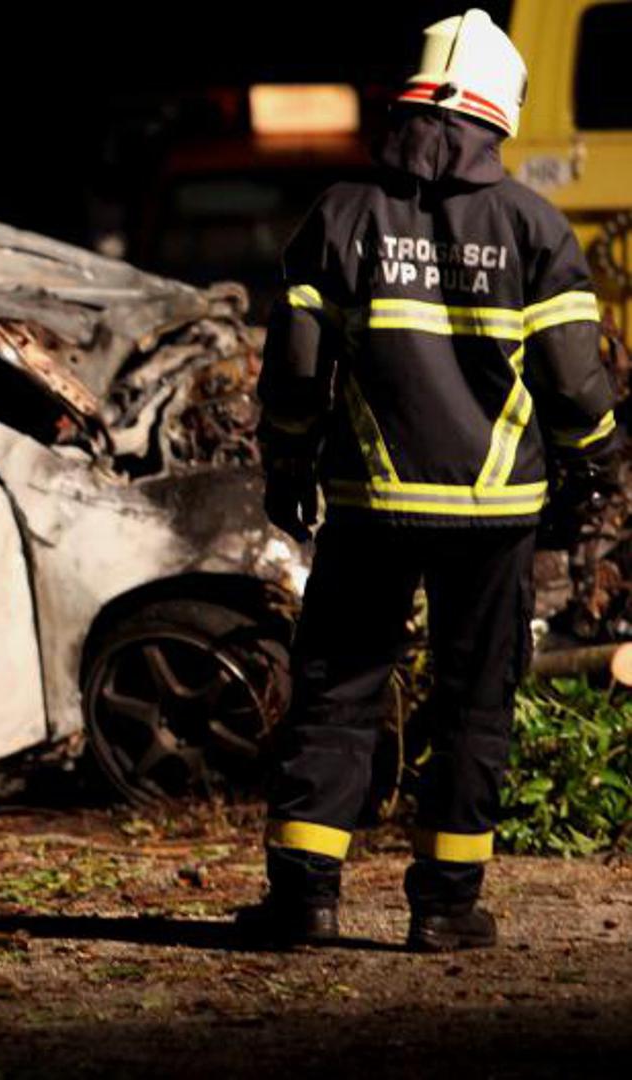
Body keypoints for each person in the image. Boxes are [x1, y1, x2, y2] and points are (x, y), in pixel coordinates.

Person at [244, 7, 620, 952]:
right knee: (472, 701)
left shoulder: (340, 214)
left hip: (368, 504)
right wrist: (597, 459)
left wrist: (287, 459)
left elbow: (295, 368)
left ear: (408, 103)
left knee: (336, 690)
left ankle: (304, 902)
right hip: (493, 514)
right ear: (500, 113)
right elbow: (573, 382)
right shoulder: (532, 225)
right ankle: (446, 909)